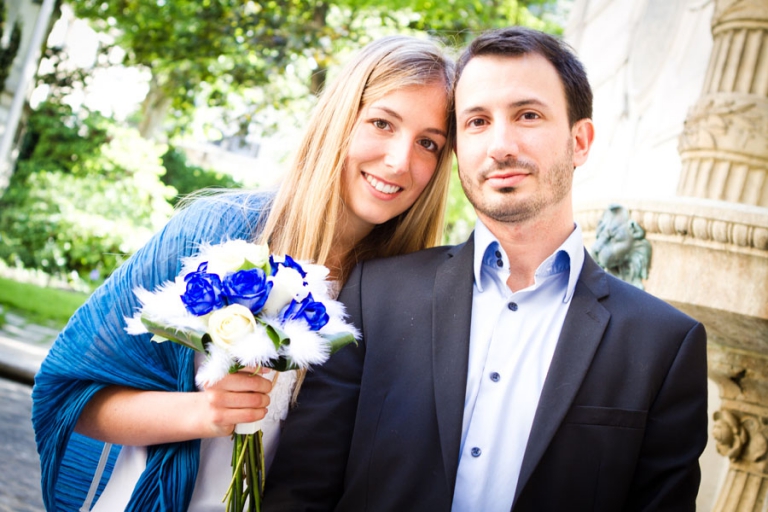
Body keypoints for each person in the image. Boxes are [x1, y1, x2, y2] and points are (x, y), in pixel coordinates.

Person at [263, 26, 708, 511]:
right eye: (477, 121)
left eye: (528, 115)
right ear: (458, 150)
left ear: (580, 141)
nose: (500, 146)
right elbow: (300, 492)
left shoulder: (665, 345)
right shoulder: (374, 293)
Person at [31, 35, 455, 511]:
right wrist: (203, 412)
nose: (400, 161)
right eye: (381, 123)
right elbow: (71, 395)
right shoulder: (218, 232)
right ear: (339, 120)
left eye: (428, 143)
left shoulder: (406, 298)